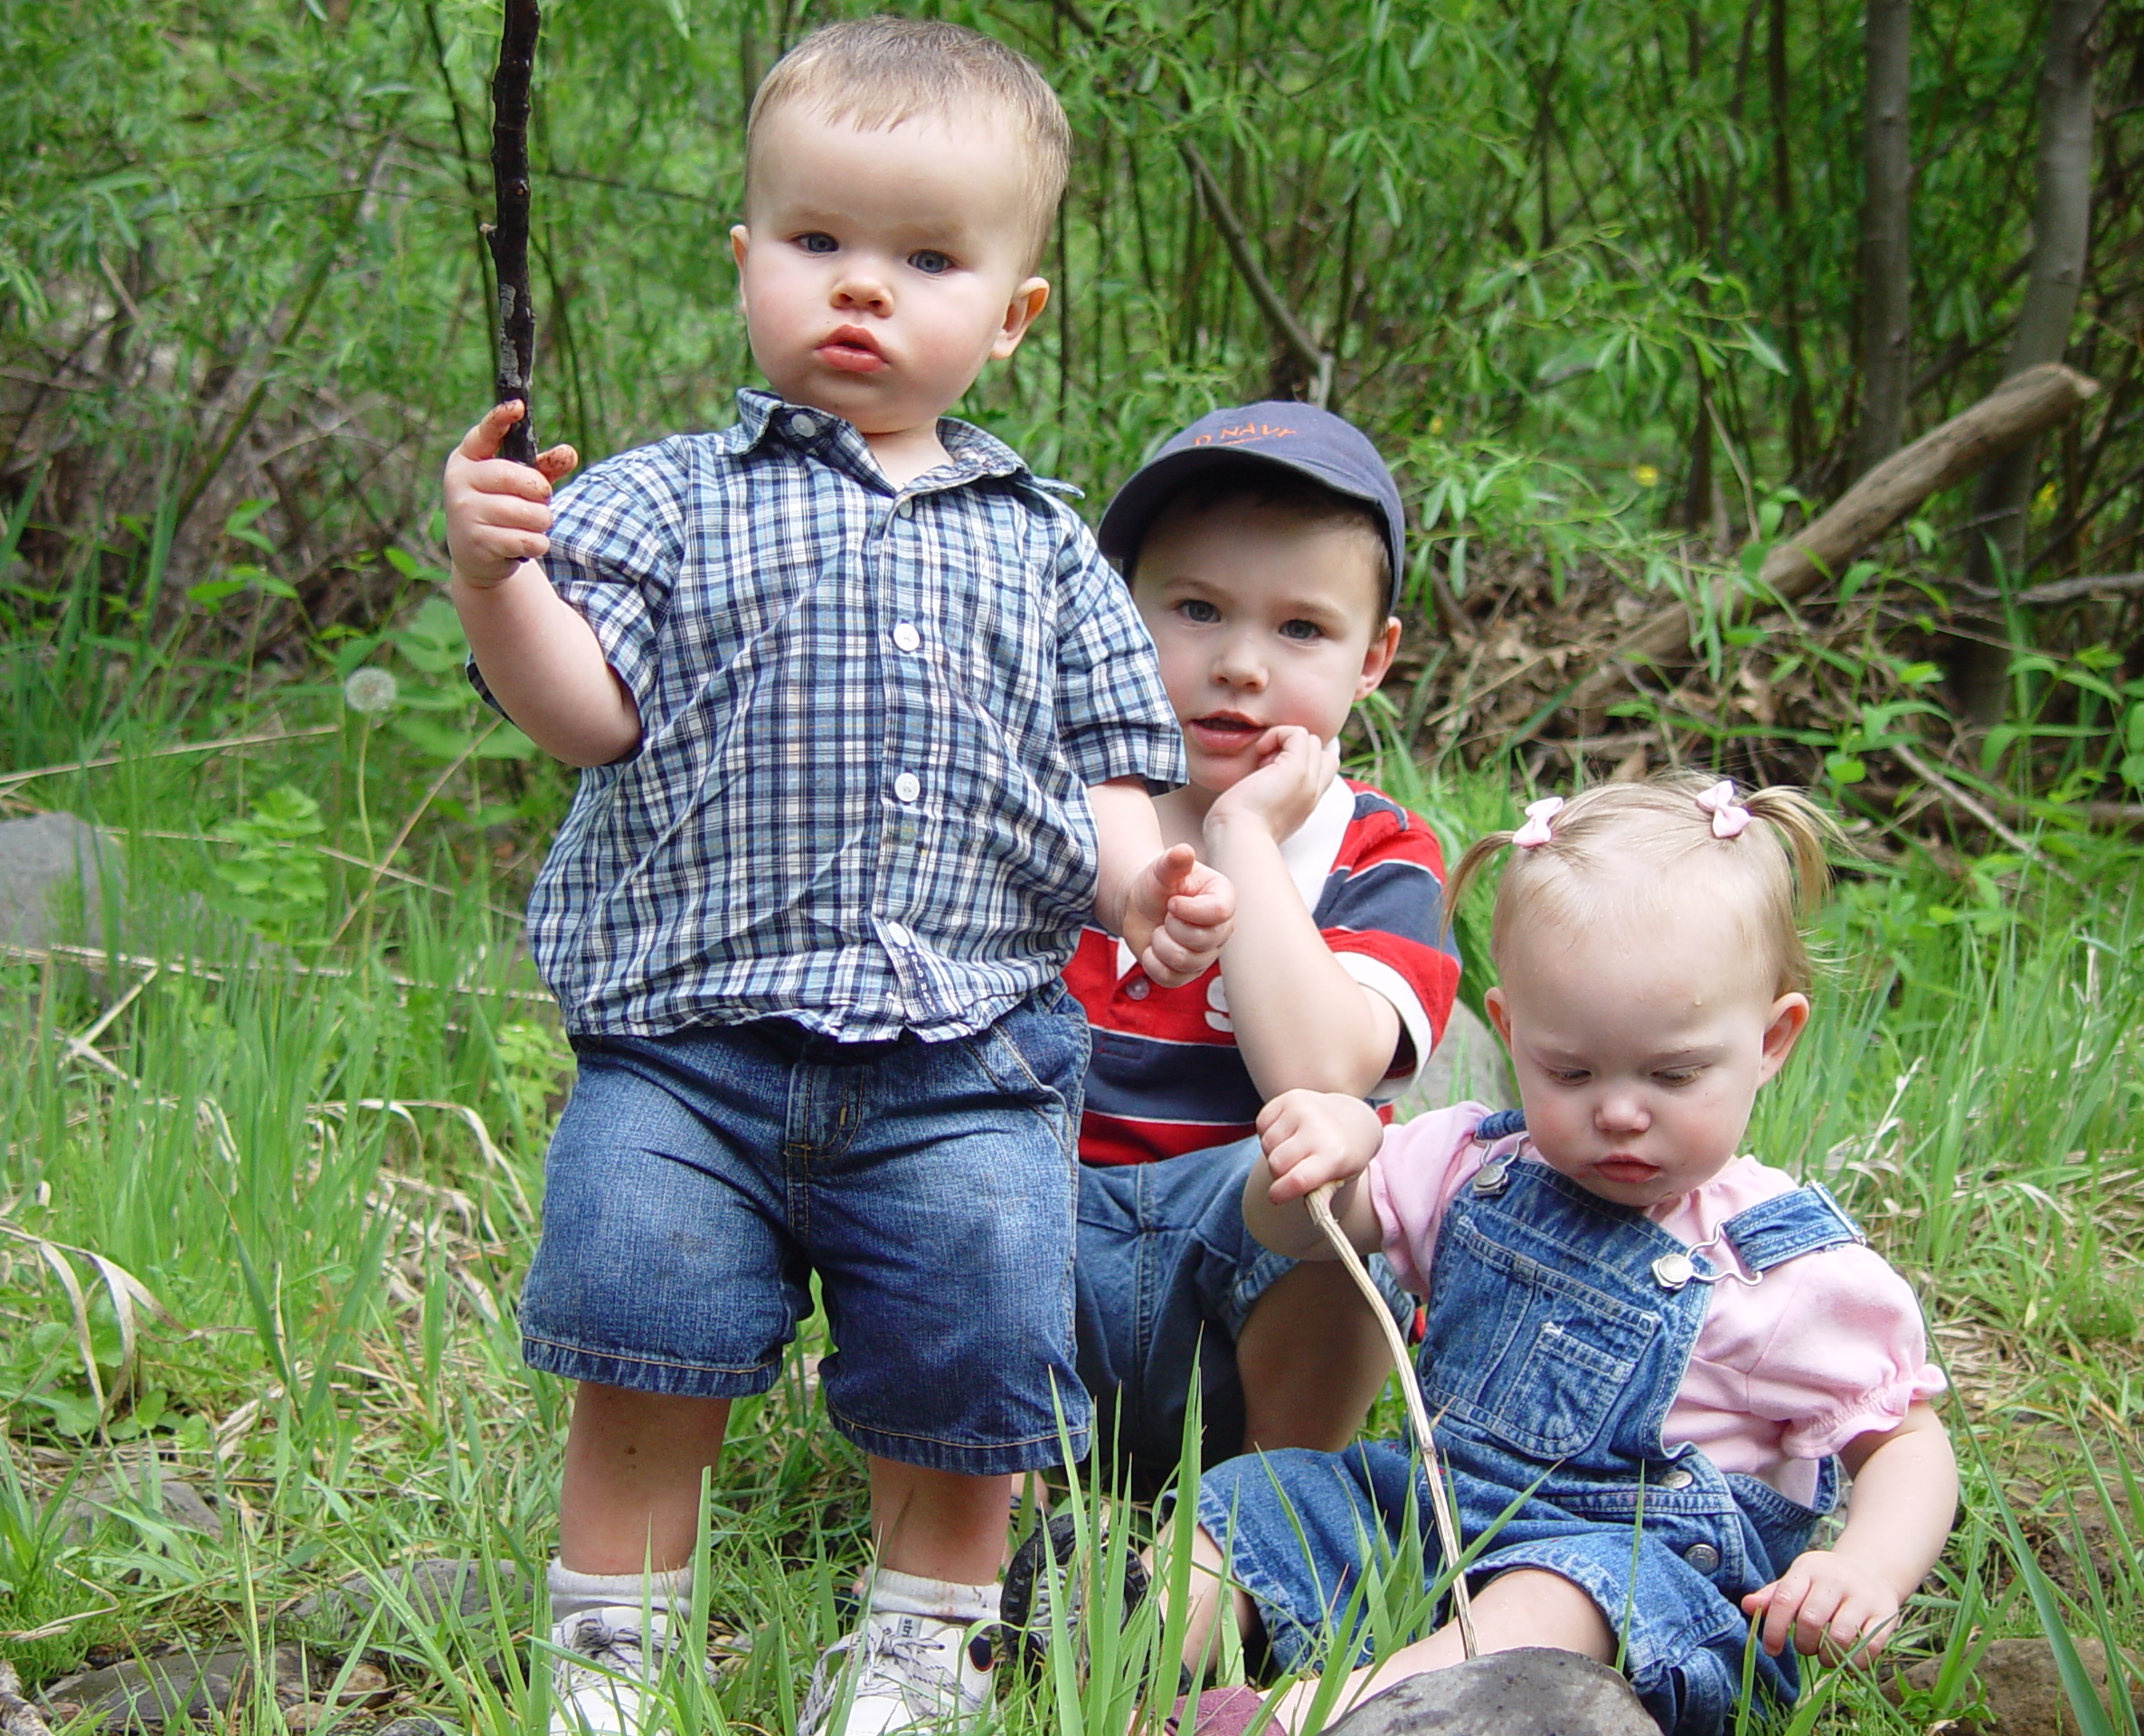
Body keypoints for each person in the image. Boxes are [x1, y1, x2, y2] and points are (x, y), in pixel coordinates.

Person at [438, 18, 1235, 1736]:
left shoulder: (1046, 553)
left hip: (963, 1062)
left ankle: (918, 1653)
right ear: (746, 261)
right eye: (818, 244)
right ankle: (613, 1655)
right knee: (640, 1332)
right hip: (687, 1047)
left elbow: (1101, 784)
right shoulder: (657, 505)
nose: (862, 291)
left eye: (927, 259)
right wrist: (497, 584)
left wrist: (1147, 896)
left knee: (971, 1358)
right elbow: (586, 718)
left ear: (1012, 315)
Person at [1176, 774, 1957, 1735]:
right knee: (1270, 1498)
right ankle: (1135, 1624)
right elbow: (1287, 1231)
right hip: (1433, 1518)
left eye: (1673, 1073)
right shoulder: (1475, 1164)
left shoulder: (1779, 1266)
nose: (1618, 1110)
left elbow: (1908, 1443)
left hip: (1639, 1588)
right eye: (1569, 1070)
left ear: (1770, 1041)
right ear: (1509, 1034)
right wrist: (1318, 1151)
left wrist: (1864, 1567)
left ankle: (1309, 1715)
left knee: (1559, 1591)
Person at [1064, 404, 1459, 1487]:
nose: (1239, 664)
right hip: (1035, 1260)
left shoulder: (1375, 853)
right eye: (1194, 609)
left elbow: (1325, 1075)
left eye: (1299, 630)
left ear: (1371, 657)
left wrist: (1243, 832)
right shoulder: (1064, 822)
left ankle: (1271, 1495)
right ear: (1114, 612)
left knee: (1350, 1183)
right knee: (933, 1168)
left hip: (1241, 1285)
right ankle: (982, 1509)